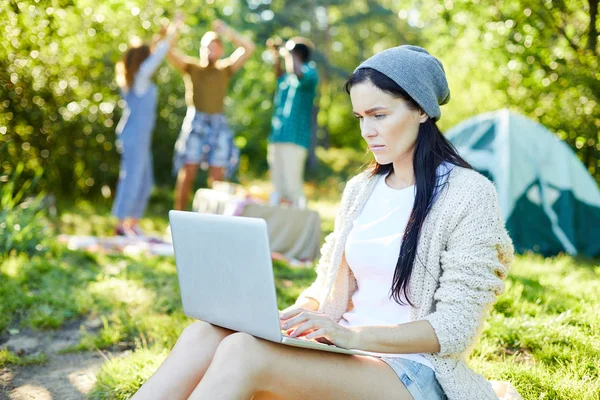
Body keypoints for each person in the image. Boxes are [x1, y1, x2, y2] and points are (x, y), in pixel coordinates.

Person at [131, 45, 514, 400]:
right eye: (361, 117)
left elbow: (454, 326)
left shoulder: (468, 194)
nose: (368, 131)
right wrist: (293, 318)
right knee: (206, 334)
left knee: (243, 352)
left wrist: (350, 335)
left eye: (380, 115)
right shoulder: (362, 189)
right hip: (342, 353)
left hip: (412, 371)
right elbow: (327, 285)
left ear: (421, 110)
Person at [167, 20, 255, 211]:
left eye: (214, 47)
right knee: (188, 170)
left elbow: (248, 48)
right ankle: (178, 217)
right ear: (201, 49)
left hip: (218, 122)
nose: (209, 51)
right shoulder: (192, 68)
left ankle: (212, 219)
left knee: (217, 176)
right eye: (206, 47)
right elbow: (168, 50)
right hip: (196, 121)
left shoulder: (225, 69)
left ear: (221, 50)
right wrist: (175, 29)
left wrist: (227, 31)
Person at [112, 16, 182, 237]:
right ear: (142, 61)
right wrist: (174, 28)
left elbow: (152, 53)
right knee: (132, 179)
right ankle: (120, 224)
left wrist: (159, 36)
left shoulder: (136, 78)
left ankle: (132, 223)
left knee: (145, 180)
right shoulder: (140, 79)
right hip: (134, 136)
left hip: (139, 137)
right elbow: (158, 55)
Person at [266, 36, 319, 208]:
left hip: (295, 138)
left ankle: (299, 222)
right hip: (278, 135)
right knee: (278, 186)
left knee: (292, 186)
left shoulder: (310, 72)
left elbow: (298, 72)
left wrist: (288, 52)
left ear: (297, 53)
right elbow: (279, 76)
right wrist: (276, 56)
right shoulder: (286, 79)